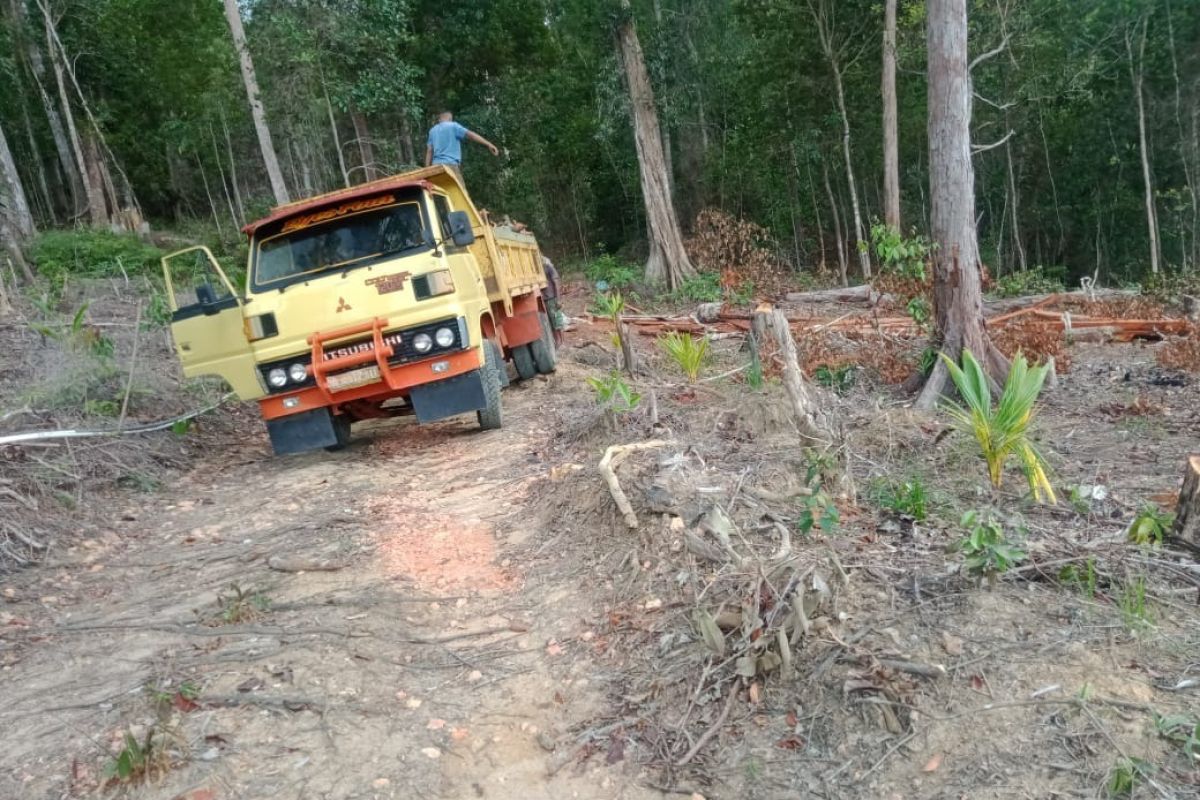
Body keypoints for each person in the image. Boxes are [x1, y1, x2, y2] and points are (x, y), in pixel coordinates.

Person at [425, 112, 499, 178]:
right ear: (450, 119)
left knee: (439, 192)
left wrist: (426, 171)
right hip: (450, 166)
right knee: (460, 192)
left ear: (440, 119)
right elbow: (471, 135)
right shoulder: (453, 126)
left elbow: (429, 151)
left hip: (435, 167)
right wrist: (488, 144)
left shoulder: (432, 130)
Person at [541, 254, 565, 346]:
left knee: (557, 321)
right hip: (546, 299)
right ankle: (558, 341)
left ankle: (560, 341)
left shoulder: (549, 268)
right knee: (551, 322)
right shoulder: (542, 270)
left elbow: (556, 283)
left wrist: (558, 299)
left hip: (552, 298)